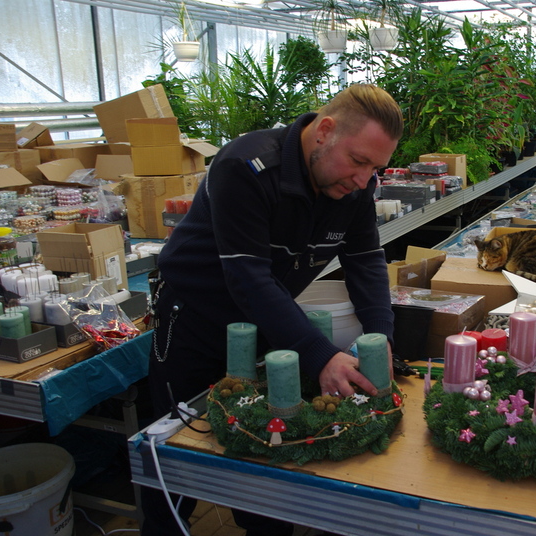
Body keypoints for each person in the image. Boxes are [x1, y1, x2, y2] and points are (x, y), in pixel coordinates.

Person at [140, 84, 404, 536]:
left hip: (267, 325)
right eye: (359, 161)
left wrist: (379, 338)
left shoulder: (356, 186)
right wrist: (319, 354)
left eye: (375, 167)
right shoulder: (245, 167)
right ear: (324, 131)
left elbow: (364, 261)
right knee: (175, 459)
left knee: (268, 446)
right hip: (194, 325)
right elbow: (248, 278)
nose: (365, 180)